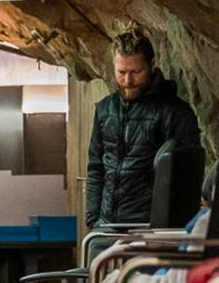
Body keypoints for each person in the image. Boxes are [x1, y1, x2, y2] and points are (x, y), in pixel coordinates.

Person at [86, 30, 202, 228]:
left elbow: (187, 178)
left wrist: (168, 226)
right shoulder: (105, 109)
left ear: (151, 66)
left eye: (136, 72)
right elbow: (96, 166)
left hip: (151, 226)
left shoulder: (176, 112)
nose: (128, 81)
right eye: (121, 72)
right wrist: (92, 218)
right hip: (106, 225)